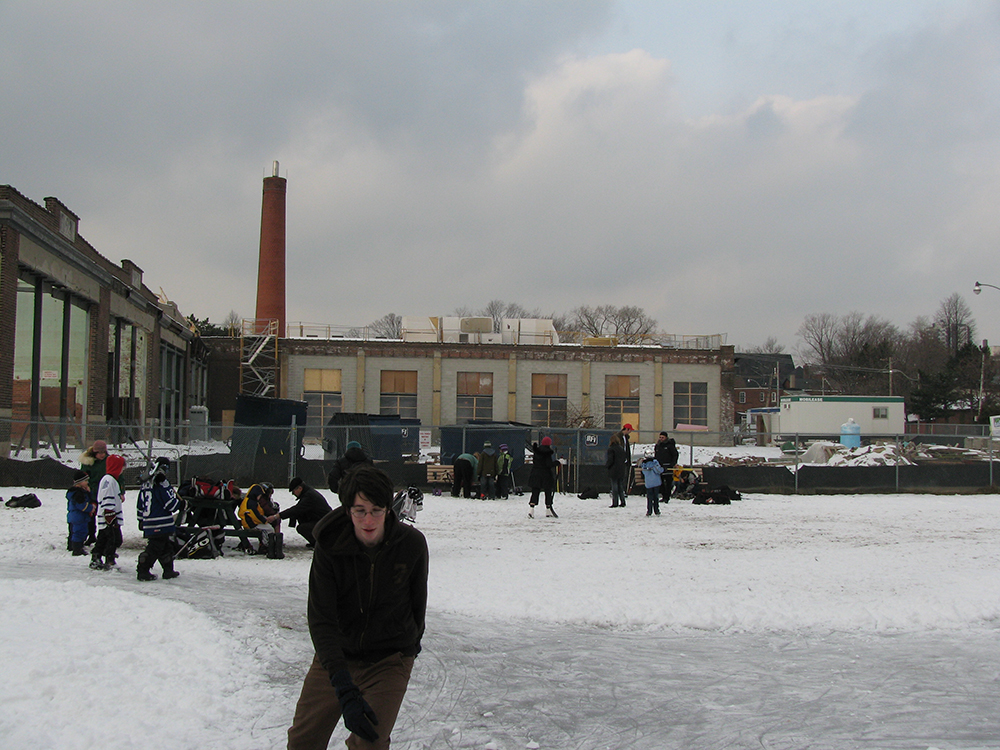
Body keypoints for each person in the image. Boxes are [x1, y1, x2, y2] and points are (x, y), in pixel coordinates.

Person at [286, 464, 428, 750]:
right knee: (304, 740)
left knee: (369, 742)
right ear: (347, 509)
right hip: (338, 654)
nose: (368, 519)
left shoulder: (411, 545)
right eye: (359, 510)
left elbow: (417, 603)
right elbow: (321, 619)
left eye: (377, 509)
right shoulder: (330, 545)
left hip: (389, 659)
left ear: (389, 508)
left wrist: (408, 648)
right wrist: (341, 682)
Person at [136, 457, 182, 580]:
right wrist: (181, 505)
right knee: (155, 548)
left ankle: (168, 570)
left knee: (166, 546)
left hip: (149, 521)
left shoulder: (146, 482)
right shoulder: (161, 482)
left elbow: (140, 503)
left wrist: (141, 519)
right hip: (160, 522)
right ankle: (143, 570)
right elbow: (169, 504)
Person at [91, 454, 125, 571]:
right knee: (113, 539)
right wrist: (110, 515)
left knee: (103, 538)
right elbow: (107, 497)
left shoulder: (112, 480)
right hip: (109, 517)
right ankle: (109, 559)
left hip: (109, 516)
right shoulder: (108, 480)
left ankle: (97, 556)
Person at [282, 478, 334, 548]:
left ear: (300, 488)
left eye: (293, 491)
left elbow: (296, 509)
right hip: (325, 521)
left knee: (301, 528)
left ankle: (319, 543)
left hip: (326, 524)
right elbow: (298, 510)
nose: (293, 494)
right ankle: (316, 541)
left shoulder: (309, 496)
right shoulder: (309, 493)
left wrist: (278, 516)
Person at [239, 482, 283, 558]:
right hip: (251, 524)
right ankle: (266, 545)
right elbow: (255, 515)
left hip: (251, 522)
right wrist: (264, 520)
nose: (260, 497)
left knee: (268, 527)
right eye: (259, 495)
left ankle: (268, 544)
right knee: (269, 529)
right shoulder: (251, 503)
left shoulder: (250, 501)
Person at [79, 438, 108, 545]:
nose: (101, 455)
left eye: (103, 452)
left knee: (105, 515)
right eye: (99, 452)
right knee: (91, 515)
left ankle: (104, 536)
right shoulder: (88, 462)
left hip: (105, 492)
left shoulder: (108, 461)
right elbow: (83, 476)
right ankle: (91, 535)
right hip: (92, 492)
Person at [527, 436, 558, 518]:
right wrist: (557, 463)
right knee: (548, 492)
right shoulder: (547, 453)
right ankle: (548, 510)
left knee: (535, 492)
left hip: (535, 473)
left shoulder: (537, 452)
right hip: (545, 475)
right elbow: (549, 464)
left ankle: (531, 510)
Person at [66, 470, 93, 557]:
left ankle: (72, 546)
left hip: (74, 516)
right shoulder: (78, 493)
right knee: (80, 532)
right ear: (79, 482)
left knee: (74, 532)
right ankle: (77, 549)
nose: (87, 483)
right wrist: (91, 508)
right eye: (85, 481)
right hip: (79, 517)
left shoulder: (77, 492)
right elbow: (81, 505)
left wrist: (88, 492)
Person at [654, 431, 679, 504]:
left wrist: (672, 463)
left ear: (666, 437)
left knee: (668, 483)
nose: (661, 439)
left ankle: (667, 497)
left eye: (663, 437)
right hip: (660, 467)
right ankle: (664, 496)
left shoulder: (670, 446)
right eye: (660, 437)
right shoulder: (658, 446)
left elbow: (675, 455)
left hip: (668, 467)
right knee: (660, 482)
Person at [638, 448, 664, 517]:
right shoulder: (655, 462)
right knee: (655, 497)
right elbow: (659, 471)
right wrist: (662, 469)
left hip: (648, 483)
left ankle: (649, 511)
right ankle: (656, 510)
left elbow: (644, 472)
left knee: (649, 497)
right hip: (656, 482)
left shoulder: (644, 464)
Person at [606, 433, 629, 508]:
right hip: (621, 469)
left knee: (614, 486)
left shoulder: (611, 449)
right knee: (620, 486)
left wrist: (607, 466)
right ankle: (623, 501)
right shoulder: (621, 449)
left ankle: (615, 502)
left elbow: (610, 460)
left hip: (614, 469)